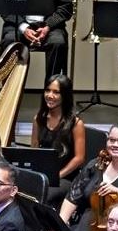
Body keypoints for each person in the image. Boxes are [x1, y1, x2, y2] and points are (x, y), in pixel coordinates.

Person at [59, 122, 118, 231]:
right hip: (84, 228)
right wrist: (60, 227)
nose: (116, 144)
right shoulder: (96, 164)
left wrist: (117, 192)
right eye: (111, 140)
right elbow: (73, 197)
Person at [32, 73, 86, 205]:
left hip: (66, 177)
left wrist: (57, 176)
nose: (50, 95)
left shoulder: (76, 124)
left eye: (56, 92)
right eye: (47, 90)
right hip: (44, 175)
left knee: (43, 196)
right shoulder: (38, 119)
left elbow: (79, 158)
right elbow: (34, 149)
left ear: (65, 96)